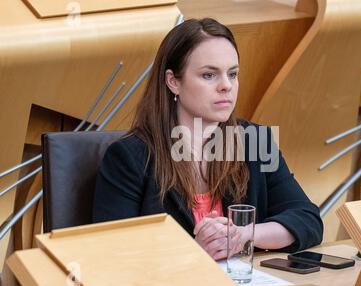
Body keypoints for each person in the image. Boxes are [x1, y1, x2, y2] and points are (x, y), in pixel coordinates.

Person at [92, 18, 323, 260]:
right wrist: (193, 252)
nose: (226, 86)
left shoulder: (254, 141)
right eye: (209, 75)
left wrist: (243, 234)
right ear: (173, 82)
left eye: (232, 74)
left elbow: (307, 220)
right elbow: (114, 256)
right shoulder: (130, 158)